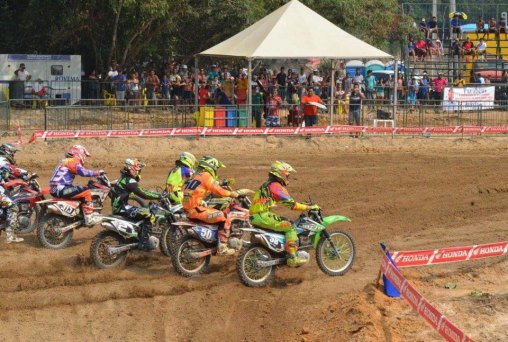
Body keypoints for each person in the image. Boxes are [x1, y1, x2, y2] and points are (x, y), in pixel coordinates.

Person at [250, 161, 320, 267]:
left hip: (256, 216)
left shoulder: (267, 184)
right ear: (281, 173)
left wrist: (302, 204)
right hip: (262, 216)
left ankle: (278, 253)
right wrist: (308, 207)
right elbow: (291, 205)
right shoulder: (276, 186)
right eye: (287, 174)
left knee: (283, 223)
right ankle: (292, 257)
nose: (288, 177)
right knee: (290, 227)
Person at [182, 156, 242, 256]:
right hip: (196, 211)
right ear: (211, 166)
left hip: (189, 210)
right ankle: (223, 247)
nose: (216, 170)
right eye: (216, 168)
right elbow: (219, 191)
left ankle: (212, 241)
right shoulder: (206, 175)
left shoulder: (196, 176)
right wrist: (233, 194)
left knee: (212, 210)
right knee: (224, 217)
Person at [110, 159, 161, 250]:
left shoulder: (123, 178)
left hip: (119, 207)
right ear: (133, 170)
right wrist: (158, 196)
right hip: (122, 208)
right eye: (139, 170)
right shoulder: (130, 181)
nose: (139, 173)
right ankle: (144, 243)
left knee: (140, 212)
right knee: (149, 215)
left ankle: (134, 238)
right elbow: (143, 194)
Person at [48, 145, 105, 227]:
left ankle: (79, 214)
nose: (84, 158)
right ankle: (89, 218)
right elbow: (83, 172)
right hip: (61, 189)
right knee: (86, 191)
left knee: (78, 190)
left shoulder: (64, 161)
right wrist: (97, 172)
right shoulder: (72, 161)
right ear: (79, 153)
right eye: (83, 155)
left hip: (54, 189)